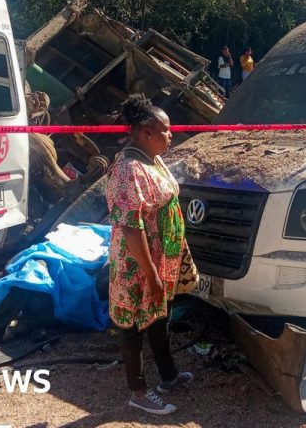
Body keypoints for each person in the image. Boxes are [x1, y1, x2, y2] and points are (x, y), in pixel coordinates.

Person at [106, 93, 194, 415]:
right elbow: (131, 228)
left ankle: (168, 377)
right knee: (131, 326)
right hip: (137, 265)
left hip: (160, 259)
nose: (171, 136)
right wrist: (151, 274)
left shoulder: (150, 158)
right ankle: (138, 392)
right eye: (165, 131)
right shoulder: (129, 169)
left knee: (160, 318)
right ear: (145, 132)